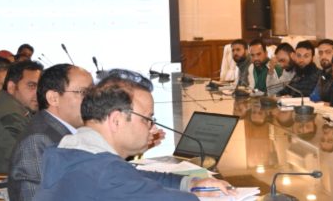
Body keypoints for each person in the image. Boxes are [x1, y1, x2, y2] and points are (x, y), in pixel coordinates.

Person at [33, 73, 231, 200]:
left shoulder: (69, 150)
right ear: (116, 120)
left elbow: (136, 175)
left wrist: (190, 183)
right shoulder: (106, 174)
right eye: (147, 119)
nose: (152, 128)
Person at [8, 64, 93, 201]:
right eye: (83, 92)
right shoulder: (37, 141)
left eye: (93, 93)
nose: (92, 101)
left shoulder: (66, 132)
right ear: (53, 98)